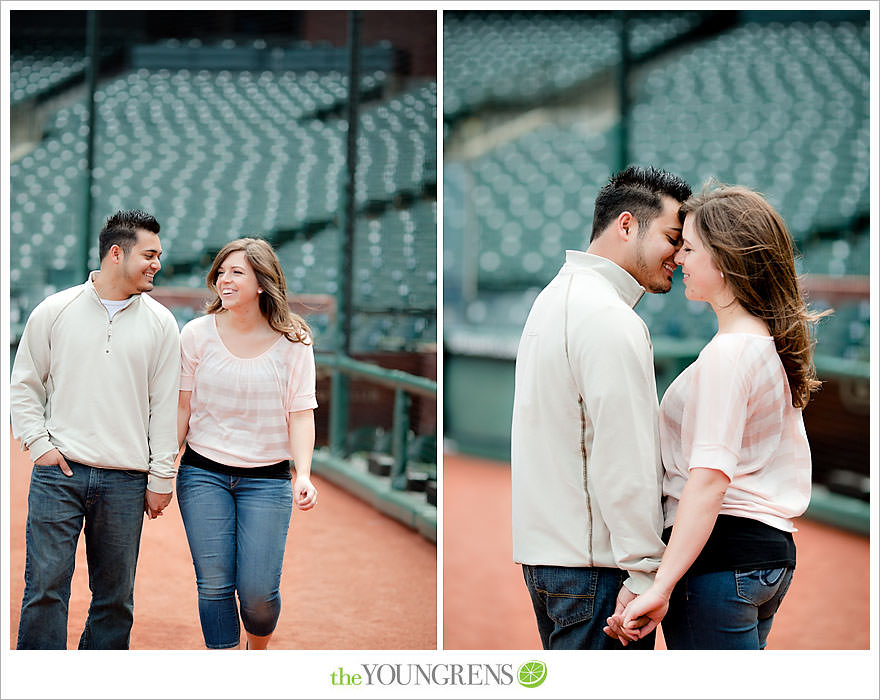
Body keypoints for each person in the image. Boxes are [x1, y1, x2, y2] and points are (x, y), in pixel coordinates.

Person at [605, 184, 827, 649]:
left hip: (718, 561)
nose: (679, 259)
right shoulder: (766, 343)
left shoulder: (729, 354)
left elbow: (708, 481)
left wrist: (660, 585)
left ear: (723, 259)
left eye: (689, 248)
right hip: (765, 556)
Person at [511, 165, 692, 649]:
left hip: (552, 559)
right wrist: (643, 572)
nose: (680, 254)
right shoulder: (609, 317)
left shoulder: (553, 297)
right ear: (627, 224)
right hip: (597, 570)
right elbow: (625, 456)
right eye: (673, 237)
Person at [10, 209, 180, 649]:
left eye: (159, 256)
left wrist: (162, 477)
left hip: (126, 480)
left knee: (115, 599)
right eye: (150, 254)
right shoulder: (54, 310)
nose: (156, 264)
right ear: (116, 253)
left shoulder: (162, 324)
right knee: (45, 590)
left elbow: (164, 408)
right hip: (58, 475)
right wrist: (39, 446)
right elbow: (24, 385)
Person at [176, 237, 318, 650]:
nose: (225, 279)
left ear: (262, 283)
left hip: (268, 481)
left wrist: (303, 474)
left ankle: (258, 652)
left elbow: (301, 413)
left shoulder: (294, 342)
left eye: (236, 272)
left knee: (258, 595)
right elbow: (182, 408)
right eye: (220, 272)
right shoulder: (196, 335)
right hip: (203, 474)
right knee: (214, 586)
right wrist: (165, 463)